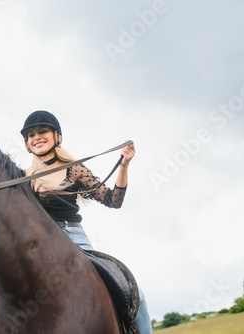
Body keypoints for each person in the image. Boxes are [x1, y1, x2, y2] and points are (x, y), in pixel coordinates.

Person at [20, 110, 152, 334]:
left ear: (56, 136)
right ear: (26, 142)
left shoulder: (74, 170)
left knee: (131, 288)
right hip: (36, 245)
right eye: (31, 134)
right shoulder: (21, 177)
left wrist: (124, 166)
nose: (36, 137)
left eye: (42, 131)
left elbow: (114, 200)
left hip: (73, 238)